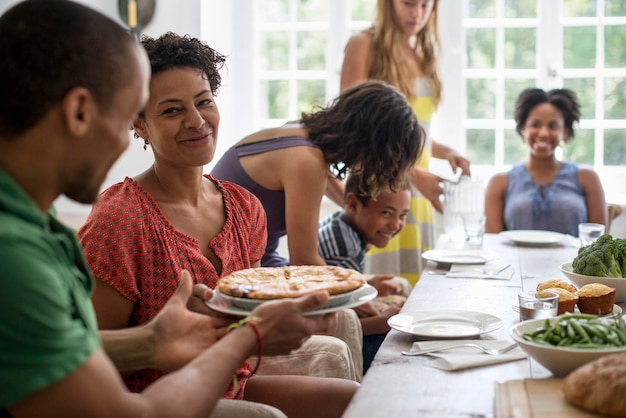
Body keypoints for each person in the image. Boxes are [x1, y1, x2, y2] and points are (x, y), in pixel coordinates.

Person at [0, 2, 356, 417]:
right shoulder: (17, 255)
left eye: (203, 102)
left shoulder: (36, 228)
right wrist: (247, 337)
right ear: (81, 112)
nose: (120, 146)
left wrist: (152, 340)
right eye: (123, 119)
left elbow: (69, 345)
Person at [211, 81, 422, 267]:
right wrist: (361, 290)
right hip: (230, 265)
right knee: (353, 310)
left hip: (251, 259)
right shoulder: (308, 161)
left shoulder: (301, 132)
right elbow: (304, 261)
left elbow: (347, 202)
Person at [340, 0, 471, 285]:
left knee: (414, 295)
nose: (417, 13)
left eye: (426, 5)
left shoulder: (423, 53)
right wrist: (411, 173)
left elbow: (412, 131)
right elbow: (351, 125)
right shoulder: (364, 44)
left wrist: (445, 151)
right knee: (377, 292)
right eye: (409, 3)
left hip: (415, 192)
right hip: (379, 187)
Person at [318, 172, 412, 373]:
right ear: (353, 204)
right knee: (391, 339)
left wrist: (368, 284)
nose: (396, 225)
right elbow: (340, 321)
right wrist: (383, 322)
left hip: (336, 309)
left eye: (402, 215)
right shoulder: (344, 250)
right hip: (326, 326)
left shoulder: (341, 224)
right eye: (386, 213)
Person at [484, 88, 607, 236]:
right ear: (523, 128)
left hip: (572, 260)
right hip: (514, 260)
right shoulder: (499, 183)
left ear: (565, 131)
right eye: (535, 125)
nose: (543, 133)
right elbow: (494, 244)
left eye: (553, 126)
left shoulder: (587, 178)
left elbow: (599, 243)